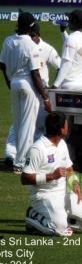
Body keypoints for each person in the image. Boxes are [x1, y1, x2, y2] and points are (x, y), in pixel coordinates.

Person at [21, 111, 82, 236]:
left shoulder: (62, 144)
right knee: (59, 228)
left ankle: (61, 217)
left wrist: (75, 183)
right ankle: (33, 215)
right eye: (66, 125)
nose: (68, 127)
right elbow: (25, 178)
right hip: (44, 195)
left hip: (64, 193)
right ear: (61, 129)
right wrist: (51, 176)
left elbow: (68, 168)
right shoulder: (37, 149)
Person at [0, 12, 51, 174]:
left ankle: (18, 160)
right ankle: (21, 163)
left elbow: (2, 65)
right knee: (28, 127)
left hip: (14, 84)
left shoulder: (8, 40)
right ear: (31, 27)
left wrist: (9, 82)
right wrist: (45, 97)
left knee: (18, 123)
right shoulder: (31, 45)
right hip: (28, 86)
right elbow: (35, 74)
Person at [4, 23, 61, 166]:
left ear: (38, 35)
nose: (31, 38)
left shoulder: (46, 48)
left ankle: (30, 156)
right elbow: (34, 74)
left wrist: (53, 87)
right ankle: (12, 155)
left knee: (36, 126)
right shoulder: (26, 44)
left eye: (34, 36)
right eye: (31, 35)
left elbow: (60, 66)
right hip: (31, 90)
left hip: (40, 91)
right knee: (20, 124)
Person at [52, 10, 82, 90]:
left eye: (70, 19)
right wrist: (63, 32)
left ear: (74, 22)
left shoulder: (72, 38)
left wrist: (55, 86)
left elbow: (66, 65)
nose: (68, 21)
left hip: (70, 86)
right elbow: (74, 47)